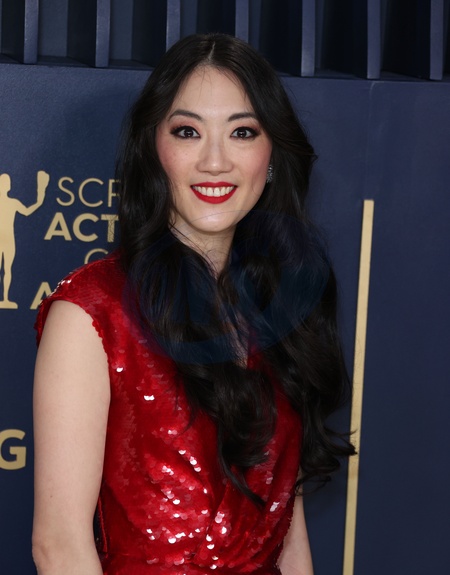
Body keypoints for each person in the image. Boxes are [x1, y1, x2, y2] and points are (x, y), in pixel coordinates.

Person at [32, 33, 354, 575]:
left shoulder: (282, 304)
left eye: (242, 132)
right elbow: (59, 546)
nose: (215, 161)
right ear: (153, 150)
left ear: (272, 156)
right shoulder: (93, 312)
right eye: (188, 131)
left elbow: (288, 531)